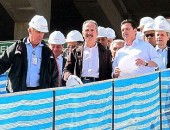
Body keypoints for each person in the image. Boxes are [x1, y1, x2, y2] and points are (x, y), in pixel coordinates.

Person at [0, 15, 59, 92]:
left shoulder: (47, 52)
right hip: (18, 94)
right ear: (30, 30)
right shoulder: (17, 48)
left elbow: (54, 77)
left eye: (43, 32)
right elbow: (2, 63)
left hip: (40, 95)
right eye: (38, 31)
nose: (40, 35)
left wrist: (52, 94)